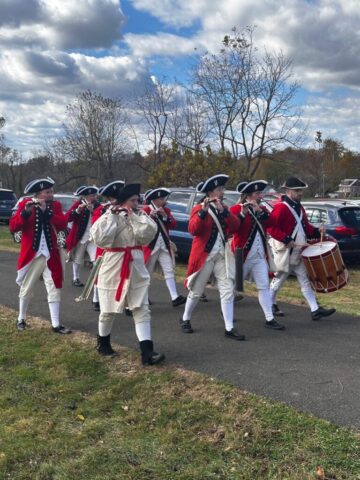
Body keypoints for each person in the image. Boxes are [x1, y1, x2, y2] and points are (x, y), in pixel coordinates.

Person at [90, 183, 165, 365]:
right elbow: (101, 239)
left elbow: (147, 234)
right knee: (108, 309)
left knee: (141, 308)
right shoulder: (106, 217)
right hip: (113, 264)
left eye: (136, 200)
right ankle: (103, 343)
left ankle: (147, 352)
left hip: (136, 264)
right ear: (122, 201)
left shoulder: (140, 216)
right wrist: (114, 217)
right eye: (132, 200)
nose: (136, 203)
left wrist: (132, 216)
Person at [180, 174, 245, 340]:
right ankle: (185, 318)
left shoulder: (224, 208)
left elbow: (236, 226)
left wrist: (224, 212)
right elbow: (193, 230)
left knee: (227, 290)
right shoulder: (199, 208)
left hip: (221, 255)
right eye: (219, 189)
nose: (222, 192)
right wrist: (203, 212)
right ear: (210, 192)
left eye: (222, 189)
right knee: (196, 291)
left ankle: (229, 328)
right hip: (205, 256)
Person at [268, 176, 336, 321]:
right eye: (298, 190)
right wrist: (286, 238)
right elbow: (271, 227)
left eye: (301, 191)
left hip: (299, 251)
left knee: (304, 279)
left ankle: (315, 309)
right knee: (279, 279)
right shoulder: (280, 207)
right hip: (286, 250)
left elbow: (305, 226)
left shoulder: (299, 207)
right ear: (288, 191)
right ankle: (269, 304)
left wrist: (318, 232)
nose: (301, 193)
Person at [9, 177, 71, 333]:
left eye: (51, 191)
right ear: (39, 194)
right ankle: (21, 319)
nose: (51, 194)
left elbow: (63, 224)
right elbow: (13, 227)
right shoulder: (25, 204)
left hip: (52, 254)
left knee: (54, 286)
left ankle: (56, 324)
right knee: (27, 286)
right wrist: (25, 213)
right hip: (32, 254)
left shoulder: (55, 206)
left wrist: (47, 212)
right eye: (47, 192)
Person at [230, 180, 285, 330]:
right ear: (248, 196)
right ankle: (227, 313)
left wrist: (259, 211)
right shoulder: (236, 209)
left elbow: (272, 222)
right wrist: (243, 214)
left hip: (260, 256)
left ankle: (269, 318)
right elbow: (233, 228)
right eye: (256, 194)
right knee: (233, 287)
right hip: (243, 254)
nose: (259, 196)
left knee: (264, 286)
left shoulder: (261, 209)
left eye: (260, 193)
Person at [142, 188, 186, 307]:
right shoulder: (145, 210)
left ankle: (175, 297)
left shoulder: (166, 210)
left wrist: (165, 216)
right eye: (161, 199)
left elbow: (173, 224)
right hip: (151, 247)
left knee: (169, 270)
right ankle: (144, 297)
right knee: (147, 273)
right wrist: (149, 217)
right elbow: (141, 227)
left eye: (163, 199)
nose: (163, 201)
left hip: (164, 246)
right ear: (154, 200)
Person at [91, 181, 125, 312]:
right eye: (115, 198)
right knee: (100, 272)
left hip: (122, 248)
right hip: (105, 247)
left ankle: (125, 303)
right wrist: (107, 214)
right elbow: (96, 229)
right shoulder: (101, 210)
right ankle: (96, 298)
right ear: (110, 199)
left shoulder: (126, 209)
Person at [66, 185, 99, 287]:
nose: (94, 197)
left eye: (94, 195)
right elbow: (68, 218)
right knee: (77, 259)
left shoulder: (97, 205)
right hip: (81, 237)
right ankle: (75, 278)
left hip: (93, 238)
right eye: (92, 195)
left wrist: (92, 211)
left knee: (95, 259)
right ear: (86, 196)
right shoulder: (78, 204)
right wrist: (77, 211)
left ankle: (95, 280)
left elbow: (101, 219)